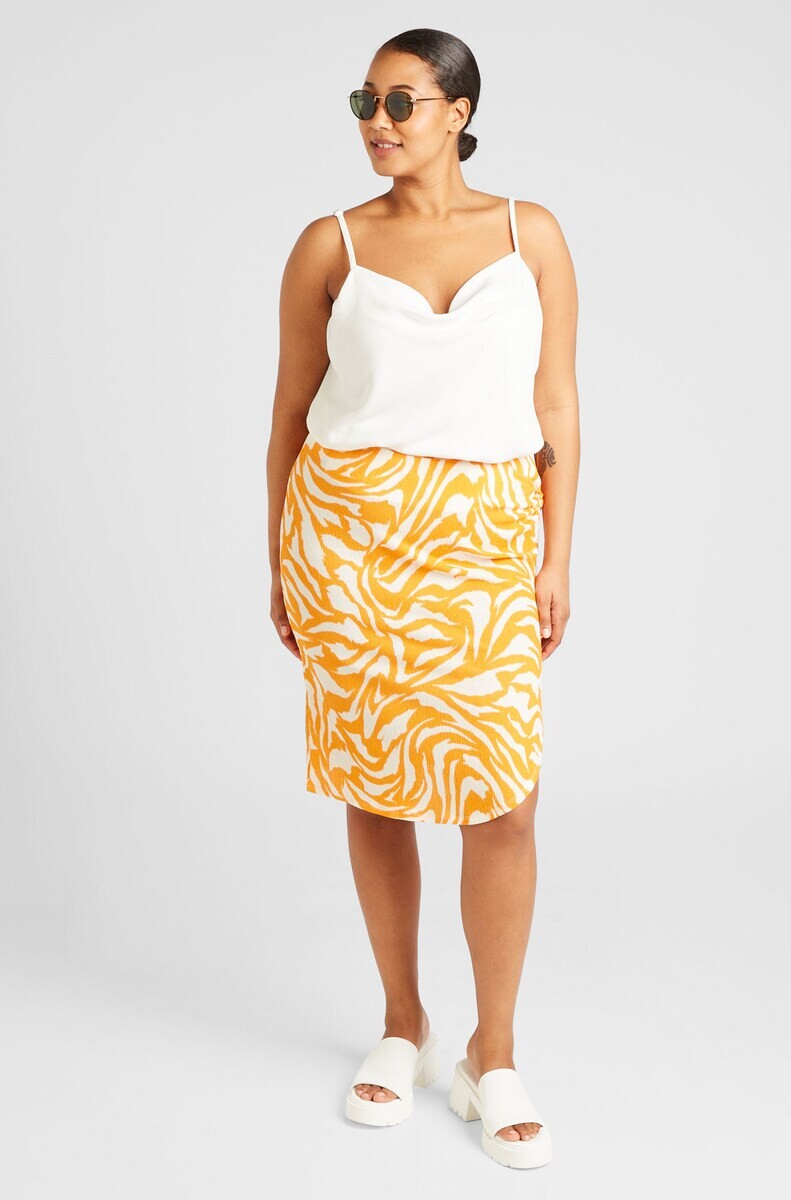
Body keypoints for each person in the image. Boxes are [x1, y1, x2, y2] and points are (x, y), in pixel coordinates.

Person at [265, 27, 579, 1170]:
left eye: (402, 101)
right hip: (351, 540)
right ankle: (404, 1023)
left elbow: (557, 407)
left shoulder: (530, 235)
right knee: (376, 784)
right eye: (365, 101)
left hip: (485, 541)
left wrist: (555, 558)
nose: (379, 122)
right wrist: (280, 560)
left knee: (505, 804)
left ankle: (495, 1053)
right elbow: (289, 412)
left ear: (458, 112)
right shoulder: (330, 243)